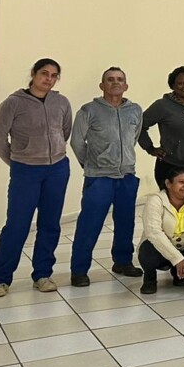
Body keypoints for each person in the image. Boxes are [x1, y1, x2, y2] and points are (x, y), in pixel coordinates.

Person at [0, 58, 72, 298]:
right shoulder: (13, 103)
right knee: (17, 225)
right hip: (26, 171)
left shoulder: (61, 102)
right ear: (34, 74)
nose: (48, 79)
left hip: (57, 170)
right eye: (44, 73)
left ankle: (42, 275)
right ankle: (1, 279)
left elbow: (65, 131)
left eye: (54, 75)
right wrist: (18, 161)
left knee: (50, 223)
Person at [69, 67, 144, 287]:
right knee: (89, 225)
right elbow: (77, 142)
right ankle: (79, 270)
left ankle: (123, 262)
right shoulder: (89, 110)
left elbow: (133, 138)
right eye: (110, 80)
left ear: (126, 86)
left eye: (120, 79)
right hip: (99, 178)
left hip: (126, 176)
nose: (115, 83)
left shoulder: (135, 111)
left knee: (126, 223)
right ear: (102, 85)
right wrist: (92, 164)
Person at [139, 66, 184, 194]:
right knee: (172, 205)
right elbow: (139, 125)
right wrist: (150, 148)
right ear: (173, 85)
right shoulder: (162, 105)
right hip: (171, 166)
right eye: (180, 83)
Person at [138, 166, 184, 295]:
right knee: (147, 252)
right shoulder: (155, 200)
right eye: (181, 182)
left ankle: (179, 274)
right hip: (159, 249)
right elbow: (154, 233)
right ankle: (150, 278)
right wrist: (177, 259)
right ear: (168, 184)